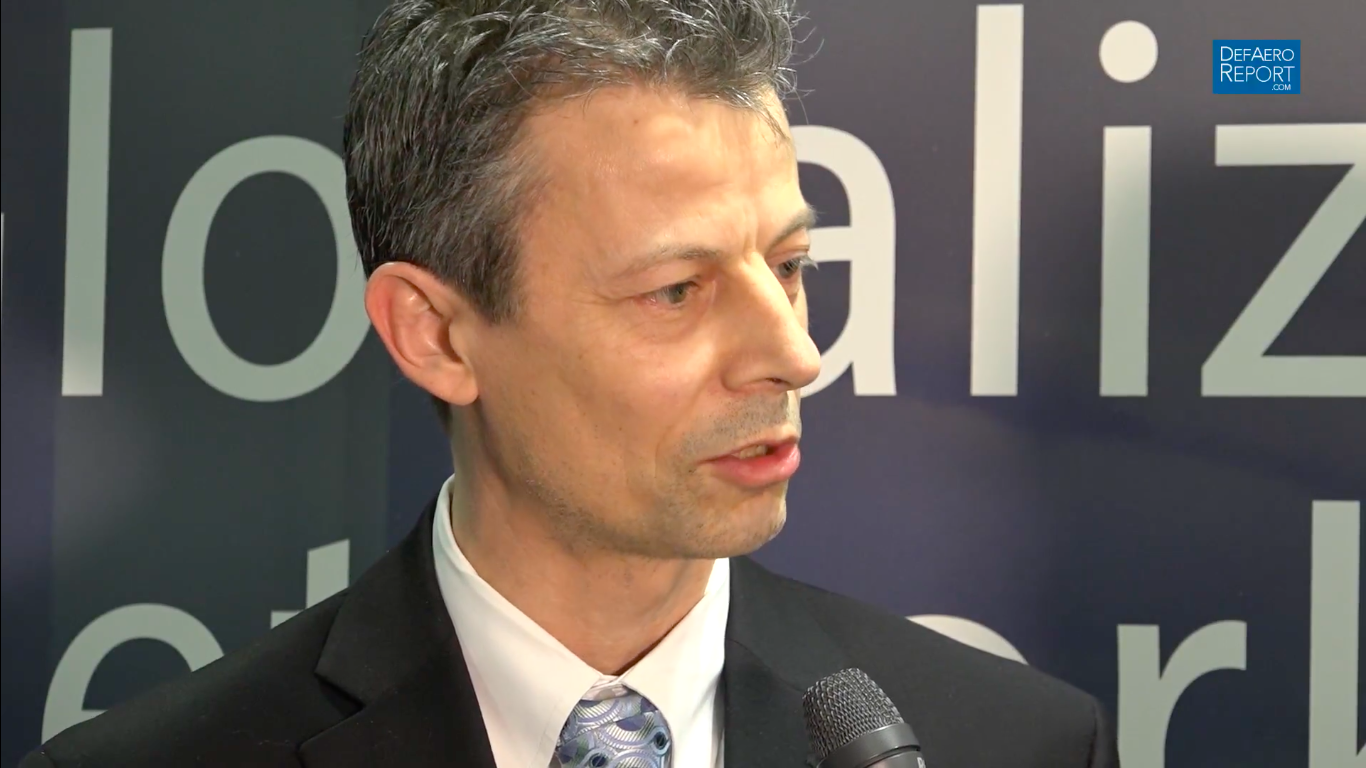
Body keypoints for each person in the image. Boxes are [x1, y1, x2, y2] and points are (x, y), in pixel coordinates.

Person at [24, 1, 1119, 766]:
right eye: (676, 290)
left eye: (790, 267)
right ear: (435, 336)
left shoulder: (1009, 745)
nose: (793, 354)